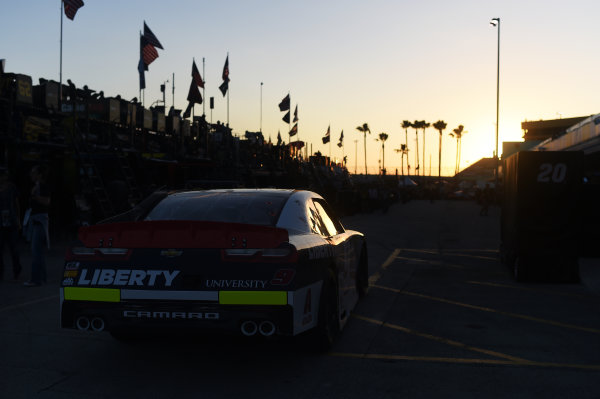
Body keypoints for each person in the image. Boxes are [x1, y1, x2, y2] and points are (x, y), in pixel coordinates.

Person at [24, 165, 51, 287]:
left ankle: (36, 279)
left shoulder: (43, 186)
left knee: (36, 251)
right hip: (35, 220)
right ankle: (42, 277)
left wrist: (35, 197)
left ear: (39, 175)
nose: (31, 175)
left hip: (39, 221)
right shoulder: (36, 187)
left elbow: (46, 201)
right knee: (38, 251)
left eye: (34, 173)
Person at [0, 168, 22, 280]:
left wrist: (18, 219)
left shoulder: (11, 187)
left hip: (11, 220)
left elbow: (16, 203)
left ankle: (17, 270)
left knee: (14, 248)